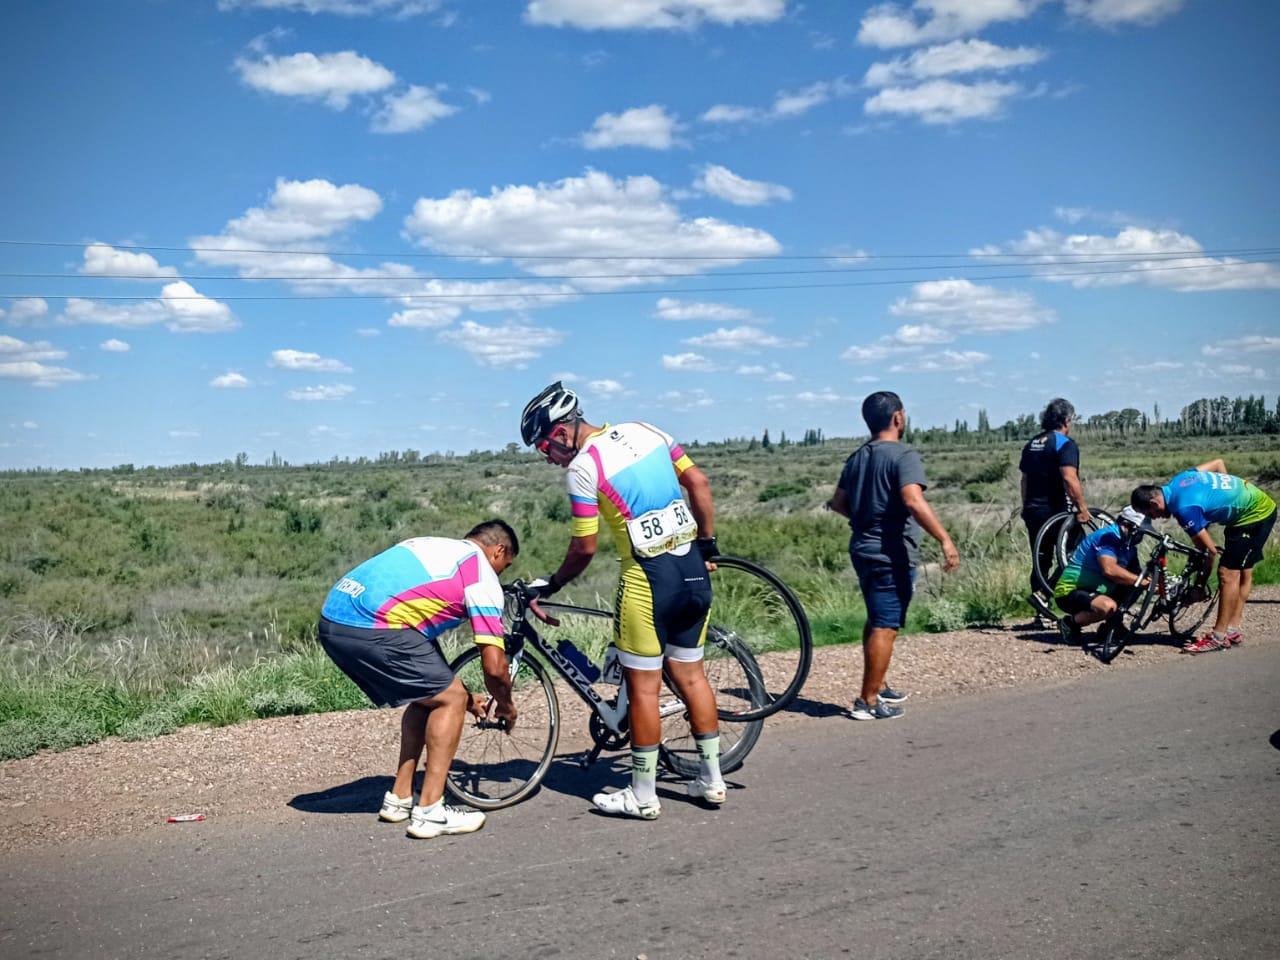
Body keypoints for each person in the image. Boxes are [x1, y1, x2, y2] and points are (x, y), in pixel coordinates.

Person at [519, 381, 722, 821]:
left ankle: (643, 794)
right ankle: (712, 780)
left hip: (647, 583)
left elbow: (584, 549)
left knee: (643, 689)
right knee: (693, 680)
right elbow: (699, 483)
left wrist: (550, 585)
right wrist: (707, 545)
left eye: (543, 448)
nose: (548, 459)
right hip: (691, 572)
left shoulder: (583, 468)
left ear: (559, 433)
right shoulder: (647, 429)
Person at [317, 521, 519, 839]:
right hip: (371, 626)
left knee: (431, 696)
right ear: (498, 551)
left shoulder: (431, 545)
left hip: (333, 618)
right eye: (503, 568)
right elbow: (494, 669)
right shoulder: (481, 575)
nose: (499, 576)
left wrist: (467, 697)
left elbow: (429, 665)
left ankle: (399, 798)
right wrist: (506, 706)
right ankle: (430, 813)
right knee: (448, 698)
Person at [828, 391, 960, 721]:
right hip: (890, 553)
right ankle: (868, 701)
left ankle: (879, 682)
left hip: (863, 548)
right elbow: (913, 500)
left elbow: (838, 503)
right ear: (898, 418)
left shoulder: (857, 457)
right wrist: (945, 539)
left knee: (876, 618)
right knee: (886, 625)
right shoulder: (903, 456)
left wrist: (866, 519)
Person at [1131, 459, 1276, 654]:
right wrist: (1226, 496)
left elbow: (1209, 552)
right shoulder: (1179, 480)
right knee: (1242, 570)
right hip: (1252, 505)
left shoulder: (1183, 509)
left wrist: (1199, 586)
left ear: (1154, 502)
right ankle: (1231, 630)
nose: (1154, 518)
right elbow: (1218, 464)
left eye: (1150, 513)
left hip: (1254, 515)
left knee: (1227, 574)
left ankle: (1218, 637)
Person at [1020, 398, 1091, 622]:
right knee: (1077, 552)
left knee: (1041, 559)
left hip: (1033, 509)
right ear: (1067, 420)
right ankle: (1045, 594)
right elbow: (1069, 478)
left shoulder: (1032, 443)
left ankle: (1039, 613)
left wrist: (1025, 506)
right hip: (1056, 511)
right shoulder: (1064, 444)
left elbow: (1025, 479)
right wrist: (1082, 508)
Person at [1053, 506, 1150, 643]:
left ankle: (1113, 625)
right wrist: (1142, 581)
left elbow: (1136, 575)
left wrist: (1153, 584)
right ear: (1126, 525)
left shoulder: (1129, 547)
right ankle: (1070, 623)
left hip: (1099, 589)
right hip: (1071, 591)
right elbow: (1109, 570)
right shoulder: (1107, 537)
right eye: (1139, 532)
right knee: (1108, 606)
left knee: (1135, 581)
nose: (1141, 537)